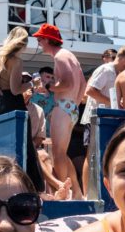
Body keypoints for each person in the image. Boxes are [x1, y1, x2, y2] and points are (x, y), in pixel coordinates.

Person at [0, 28, 44, 192]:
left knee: (5, 149)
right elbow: (15, 89)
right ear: (23, 43)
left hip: (1, 104)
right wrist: (33, 84)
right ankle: (31, 188)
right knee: (25, 147)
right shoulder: (16, 61)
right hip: (15, 104)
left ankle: (4, 186)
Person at [33, 23, 87, 199]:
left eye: (40, 39)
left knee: (57, 153)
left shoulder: (60, 57)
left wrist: (49, 86)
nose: (39, 42)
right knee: (62, 153)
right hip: (71, 108)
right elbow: (82, 86)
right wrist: (74, 105)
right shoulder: (69, 56)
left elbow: (67, 83)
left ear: (48, 40)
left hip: (64, 107)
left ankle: (62, 194)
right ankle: (77, 193)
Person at [80, 47, 125, 194]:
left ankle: (98, 191)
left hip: (106, 120)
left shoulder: (117, 73)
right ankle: (86, 193)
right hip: (94, 118)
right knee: (90, 155)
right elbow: (89, 91)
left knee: (104, 156)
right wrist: (112, 102)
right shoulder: (106, 69)